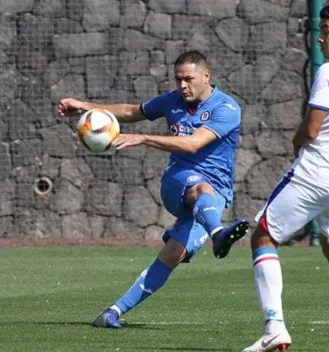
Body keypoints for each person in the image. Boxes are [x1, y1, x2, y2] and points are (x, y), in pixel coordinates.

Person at [58, 50, 249, 328]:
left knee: (173, 253)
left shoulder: (226, 108)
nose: (183, 85)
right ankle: (218, 233)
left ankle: (112, 312)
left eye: (189, 79)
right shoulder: (171, 101)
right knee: (200, 187)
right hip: (179, 180)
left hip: (216, 193)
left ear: (206, 76)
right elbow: (131, 111)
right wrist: (87, 108)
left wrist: (144, 138)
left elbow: (195, 143)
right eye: (178, 79)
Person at [240, 2, 329, 351]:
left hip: (315, 171)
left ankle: (274, 326)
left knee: (262, 236)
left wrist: (295, 143)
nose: (320, 39)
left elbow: (312, 128)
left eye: (327, 31)